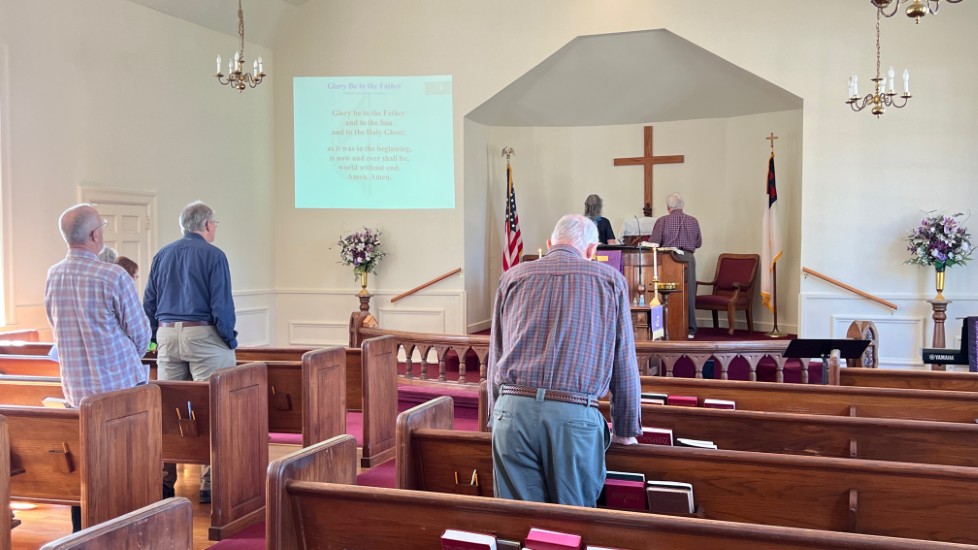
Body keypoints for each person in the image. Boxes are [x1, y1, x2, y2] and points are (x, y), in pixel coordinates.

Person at [487, 214, 641, 507]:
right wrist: (625, 428)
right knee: (571, 523)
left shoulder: (512, 277)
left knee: (518, 521)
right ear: (592, 249)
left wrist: (495, 415)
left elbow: (496, 352)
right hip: (573, 416)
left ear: (550, 244)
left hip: (511, 413)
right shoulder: (610, 281)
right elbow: (623, 362)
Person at [44, 203, 152, 531]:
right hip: (120, 391)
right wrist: (124, 359)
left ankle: (83, 534)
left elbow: (55, 325)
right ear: (95, 235)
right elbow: (141, 333)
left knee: (88, 468)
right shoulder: (113, 275)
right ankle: (126, 532)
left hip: (77, 391)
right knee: (126, 468)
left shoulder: (54, 275)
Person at [144, 200, 237, 504]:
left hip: (167, 334)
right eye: (215, 224)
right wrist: (228, 339)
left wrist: (154, 340)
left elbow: (149, 301)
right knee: (216, 406)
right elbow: (221, 304)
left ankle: (163, 481)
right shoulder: (214, 255)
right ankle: (210, 483)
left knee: (169, 409)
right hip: (202, 334)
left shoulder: (162, 254)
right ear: (207, 225)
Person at [649, 192, 702, 338]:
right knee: (688, 293)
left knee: (666, 293)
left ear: (668, 207)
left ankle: (667, 326)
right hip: (688, 258)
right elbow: (698, 243)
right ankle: (690, 330)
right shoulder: (693, 221)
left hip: (668, 259)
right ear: (682, 205)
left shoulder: (662, 221)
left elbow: (654, 243)